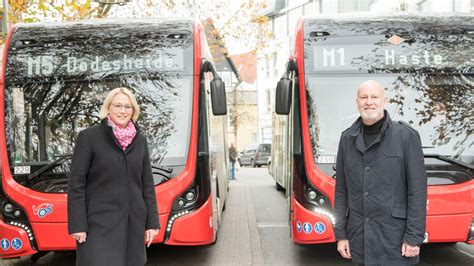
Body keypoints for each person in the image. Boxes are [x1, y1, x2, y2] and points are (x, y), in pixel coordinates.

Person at [334, 80, 427, 265]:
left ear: (384, 101)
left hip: (395, 239)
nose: (369, 102)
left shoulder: (406, 136)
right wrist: (341, 234)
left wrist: (414, 237)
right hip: (359, 238)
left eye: (374, 97)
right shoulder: (346, 139)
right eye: (364, 97)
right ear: (357, 102)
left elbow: (417, 191)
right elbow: (341, 190)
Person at [68, 87, 160, 266]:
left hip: (133, 225)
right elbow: (76, 184)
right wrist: (78, 225)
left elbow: (147, 184)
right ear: (108, 108)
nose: (123, 111)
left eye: (128, 106)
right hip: (98, 226)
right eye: (118, 105)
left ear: (133, 111)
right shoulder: (89, 137)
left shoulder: (140, 140)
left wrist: (152, 223)